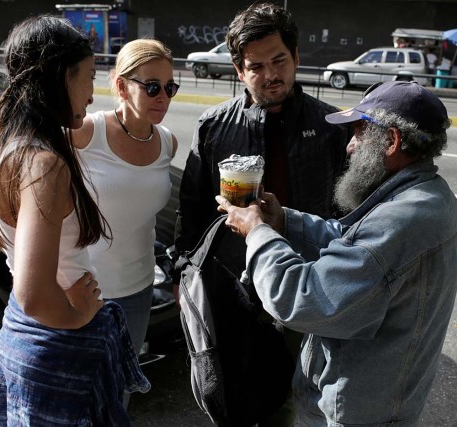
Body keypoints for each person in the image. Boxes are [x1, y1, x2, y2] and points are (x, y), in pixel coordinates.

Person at [216, 80, 457, 425]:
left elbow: (302, 299)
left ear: (391, 141)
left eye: (359, 134)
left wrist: (256, 232)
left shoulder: (402, 220)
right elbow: (353, 243)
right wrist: (284, 221)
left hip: (355, 413)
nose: (350, 147)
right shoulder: (424, 193)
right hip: (377, 399)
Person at [0, 15, 149, 426]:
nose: (92, 91)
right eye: (88, 76)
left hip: (22, 334)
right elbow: (35, 292)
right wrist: (77, 316)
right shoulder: (44, 164)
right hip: (57, 344)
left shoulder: (5, 143)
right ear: (59, 78)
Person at [175, 2, 350, 425]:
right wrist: (185, 267)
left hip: (303, 283)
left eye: (279, 61)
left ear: (296, 59)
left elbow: (350, 211)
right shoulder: (214, 124)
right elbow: (193, 206)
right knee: (231, 386)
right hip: (234, 284)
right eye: (256, 66)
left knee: (293, 391)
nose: (270, 75)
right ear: (239, 70)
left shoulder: (332, 124)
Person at [72, 38, 178, 407]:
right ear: (120, 86)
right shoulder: (86, 132)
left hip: (138, 289)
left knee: (121, 391)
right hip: (88, 289)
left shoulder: (167, 142)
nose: (162, 96)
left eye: (169, 87)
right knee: (85, 393)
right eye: (151, 86)